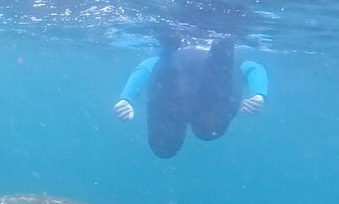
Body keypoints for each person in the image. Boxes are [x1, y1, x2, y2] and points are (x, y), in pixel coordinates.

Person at [113, 36, 268, 158]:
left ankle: (174, 61)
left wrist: (127, 98)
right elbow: (253, 68)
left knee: (167, 146)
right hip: (193, 76)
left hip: (187, 76)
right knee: (206, 131)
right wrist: (259, 94)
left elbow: (147, 66)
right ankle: (172, 61)